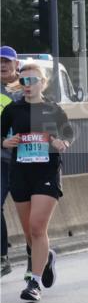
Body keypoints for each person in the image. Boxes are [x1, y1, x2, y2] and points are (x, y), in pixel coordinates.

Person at [1, 61, 73, 301]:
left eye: (32, 81)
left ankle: (35, 282)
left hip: (47, 173)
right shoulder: (12, 109)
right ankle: (47, 257)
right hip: (20, 173)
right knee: (30, 235)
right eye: (23, 81)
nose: (27, 85)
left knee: (36, 227)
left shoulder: (52, 109)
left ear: (43, 83)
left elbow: (68, 133)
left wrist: (61, 142)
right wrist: (4, 142)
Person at [1, 46, 22, 276]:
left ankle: (36, 258)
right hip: (1, 159)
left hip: (24, 160)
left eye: (7, 61)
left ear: (16, 64)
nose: (2, 65)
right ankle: (2, 258)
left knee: (29, 214)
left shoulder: (24, 88)